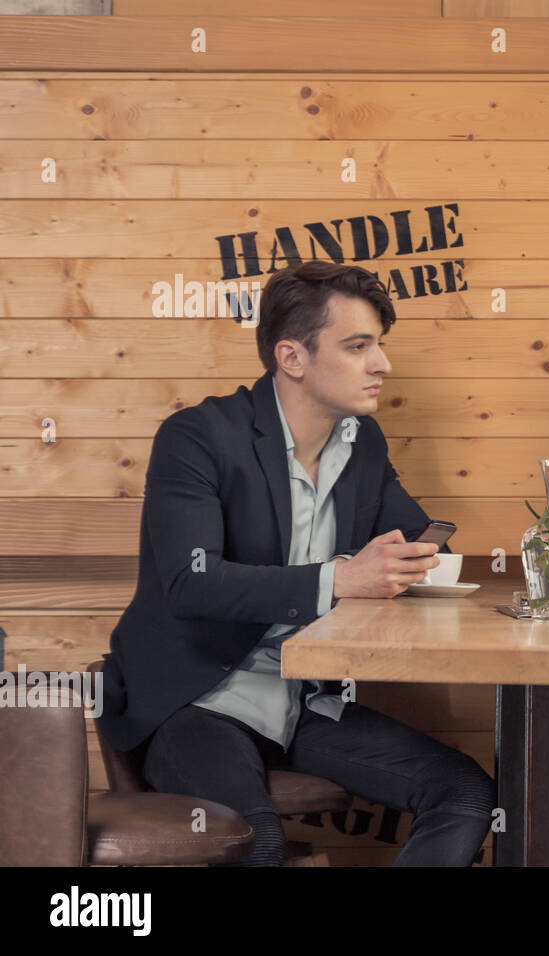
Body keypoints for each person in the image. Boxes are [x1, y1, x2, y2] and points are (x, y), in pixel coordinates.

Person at [98, 261, 496, 866]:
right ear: (292, 357)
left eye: (379, 345)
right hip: (197, 697)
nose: (382, 364)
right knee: (255, 839)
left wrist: (412, 559)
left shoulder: (361, 442)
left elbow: (417, 539)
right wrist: (343, 577)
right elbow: (191, 582)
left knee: (465, 793)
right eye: (358, 346)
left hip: (302, 698)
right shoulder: (197, 436)